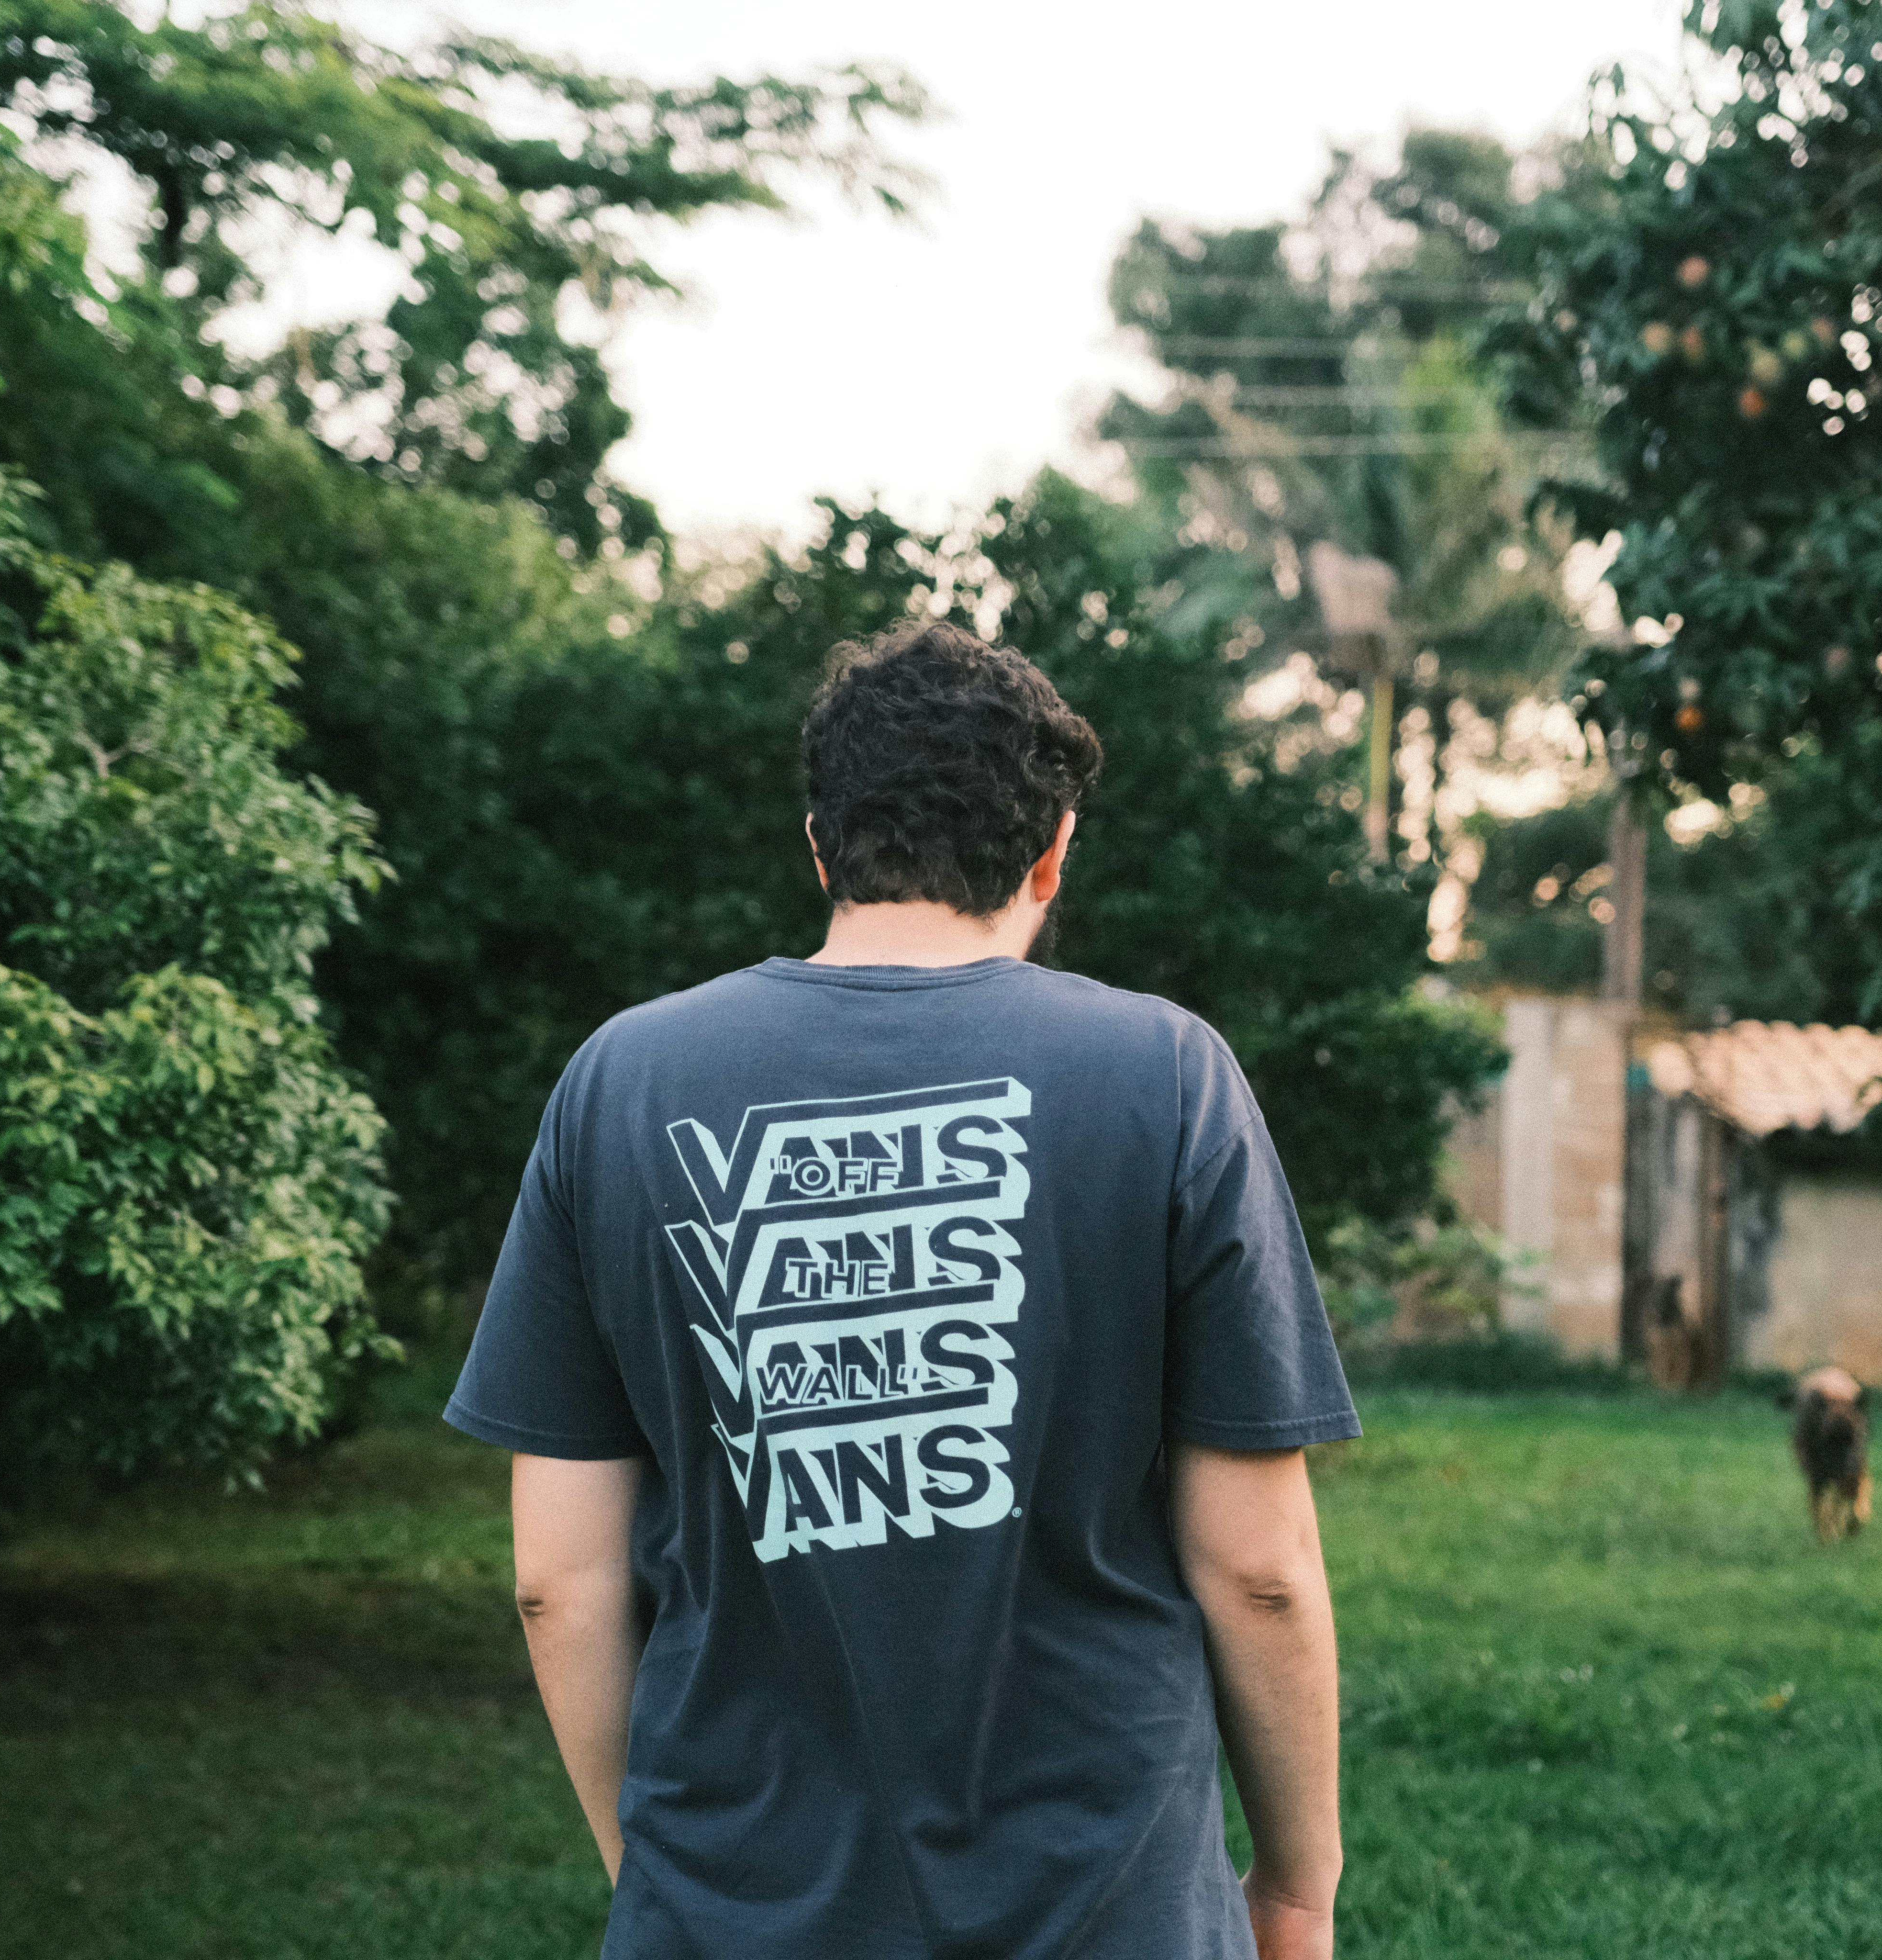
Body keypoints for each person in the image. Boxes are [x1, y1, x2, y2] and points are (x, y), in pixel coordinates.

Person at [444, 621, 1356, 1960]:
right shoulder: (1167, 1078)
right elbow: (1259, 1567)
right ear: (1053, 851)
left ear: (822, 847)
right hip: (1107, 1909)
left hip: (728, 1906)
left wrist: (654, 1870)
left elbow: (556, 1581)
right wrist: (1299, 1890)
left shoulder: (620, 1083)